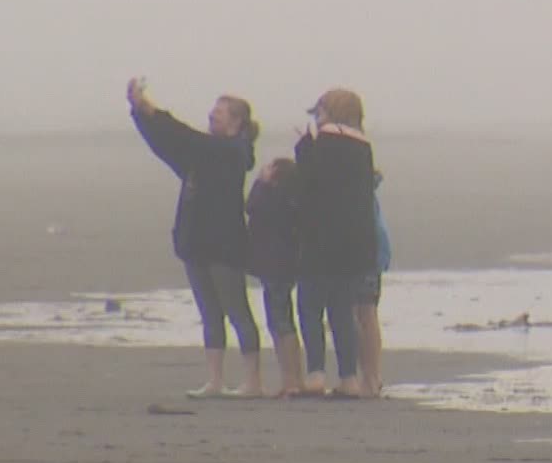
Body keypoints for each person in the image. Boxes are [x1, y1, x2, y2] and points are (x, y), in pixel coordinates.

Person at [127, 78, 263, 399]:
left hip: (224, 246)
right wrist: (140, 115)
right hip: (195, 243)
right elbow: (168, 145)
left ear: (236, 121)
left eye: (220, 111)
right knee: (209, 313)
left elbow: (185, 138)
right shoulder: (202, 154)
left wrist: (151, 109)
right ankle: (215, 380)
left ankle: (252, 381)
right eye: (213, 110)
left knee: (237, 310)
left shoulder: (233, 151)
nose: (212, 114)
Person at [294, 89, 377, 399]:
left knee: (310, 307)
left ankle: (315, 373)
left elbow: (308, 187)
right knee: (342, 311)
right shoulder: (363, 147)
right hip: (356, 242)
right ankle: (349, 377)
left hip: (320, 239)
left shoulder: (319, 144)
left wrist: (303, 147)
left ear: (327, 111)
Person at [246, 157, 306, 398]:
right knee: (280, 321)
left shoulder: (275, 198)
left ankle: (292, 380)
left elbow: (251, 206)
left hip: (276, 265)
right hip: (281, 264)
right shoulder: (288, 200)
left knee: (280, 322)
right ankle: (291, 379)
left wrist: (261, 183)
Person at [353, 173, 393, 398]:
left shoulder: (358, 192)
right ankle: (371, 377)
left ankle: (370, 377)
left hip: (364, 258)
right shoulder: (366, 190)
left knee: (362, 315)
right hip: (372, 257)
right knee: (367, 315)